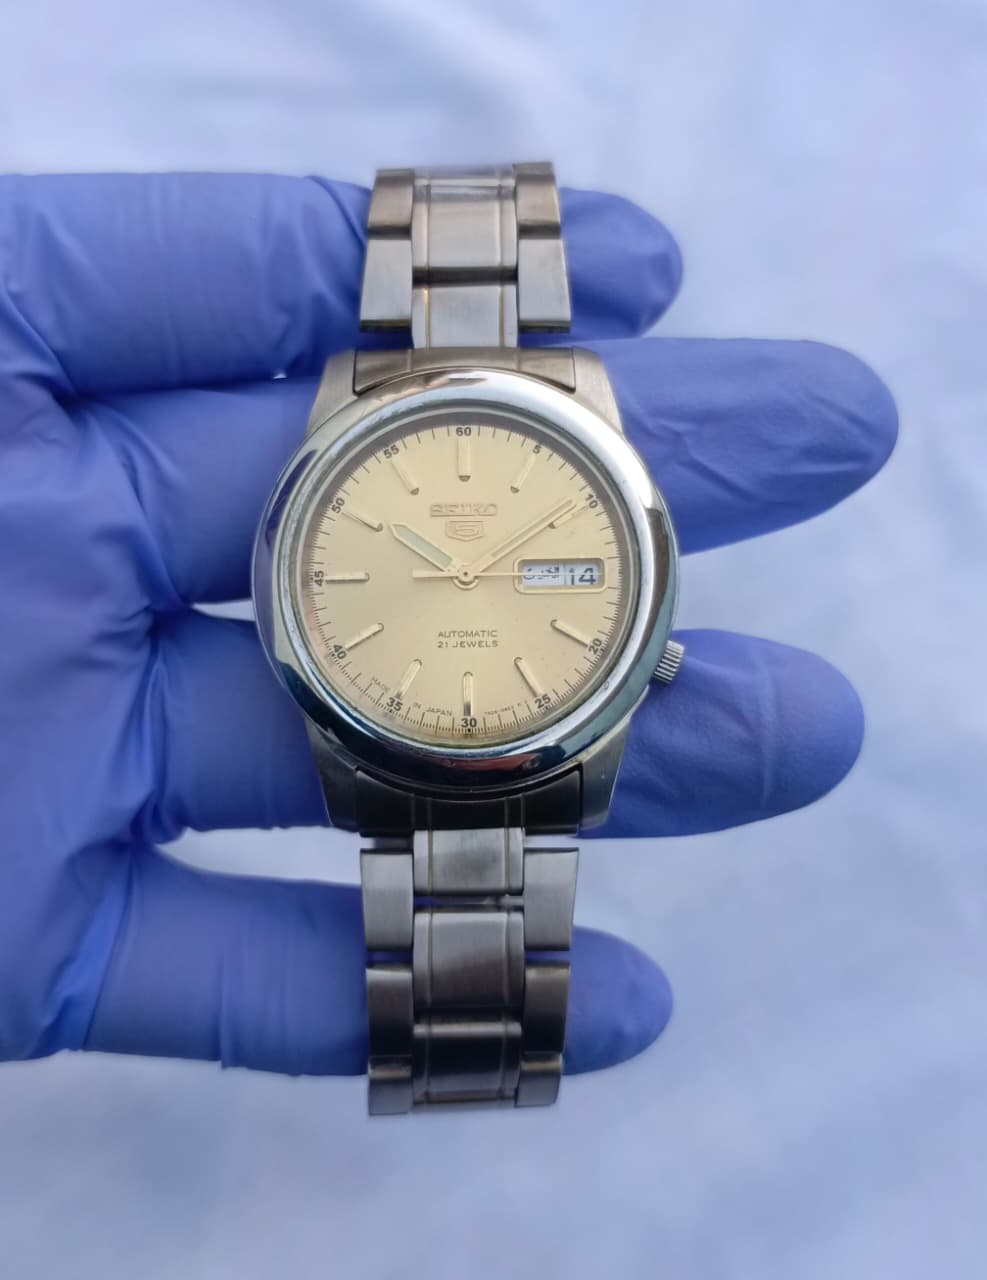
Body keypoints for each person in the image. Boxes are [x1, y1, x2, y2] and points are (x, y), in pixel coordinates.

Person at [0, 172, 896, 1077]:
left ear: (647, 647)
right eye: (454, 570)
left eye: (475, 572)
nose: (465, 576)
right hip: (387, 702)